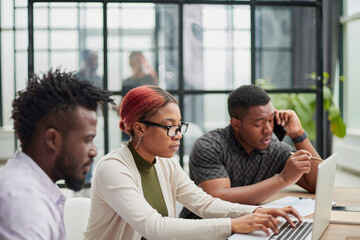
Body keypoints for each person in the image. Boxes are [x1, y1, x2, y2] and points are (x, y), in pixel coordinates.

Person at [84, 85, 301, 240]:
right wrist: (233, 224)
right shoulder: (113, 169)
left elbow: (204, 203)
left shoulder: (164, 163)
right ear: (139, 128)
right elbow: (154, 228)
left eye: (179, 126)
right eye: (169, 126)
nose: (178, 135)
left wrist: (252, 213)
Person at [0, 69, 114, 239]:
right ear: (52, 139)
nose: (94, 151)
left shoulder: (35, 187)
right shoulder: (24, 203)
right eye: (87, 139)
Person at [180, 84, 321, 219]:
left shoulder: (275, 149)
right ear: (236, 123)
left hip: (250, 229)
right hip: (204, 230)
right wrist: (282, 179)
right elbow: (218, 199)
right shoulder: (209, 146)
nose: (268, 129)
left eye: (271, 120)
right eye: (259, 123)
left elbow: (317, 184)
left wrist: (298, 134)